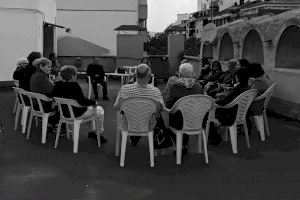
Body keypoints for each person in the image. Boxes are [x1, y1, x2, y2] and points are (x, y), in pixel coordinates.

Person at [114, 64, 172, 152]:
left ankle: (133, 138)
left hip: (128, 124)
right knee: (155, 115)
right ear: (149, 77)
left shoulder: (125, 89)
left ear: (135, 76)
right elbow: (162, 108)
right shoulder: (155, 91)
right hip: (148, 125)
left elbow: (117, 107)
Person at [51, 65, 107, 144]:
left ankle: (92, 131)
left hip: (63, 113)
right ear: (73, 76)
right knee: (100, 110)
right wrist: (94, 102)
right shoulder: (75, 85)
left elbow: (53, 96)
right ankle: (98, 133)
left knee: (90, 108)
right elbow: (82, 102)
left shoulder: (58, 85)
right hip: (76, 113)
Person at [163, 63, 204, 154]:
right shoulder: (198, 86)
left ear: (180, 74)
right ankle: (185, 143)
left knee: (174, 114)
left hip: (178, 122)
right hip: (195, 119)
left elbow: (169, 105)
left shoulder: (175, 85)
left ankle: (179, 144)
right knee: (186, 113)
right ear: (191, 74)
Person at [208, 68, 251, 145]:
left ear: (238, 77)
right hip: (240, 115)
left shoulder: (238, 89)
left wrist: (214, 100)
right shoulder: (248, 88)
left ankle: (215, 137)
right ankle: (217, 133)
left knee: (207, 114)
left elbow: (223, 102)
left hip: (229, 116)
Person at [247, 62, 271, 129]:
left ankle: (243, 127)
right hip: (261, 104)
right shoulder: (264, 77)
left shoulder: (258, 82)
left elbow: (251, 95)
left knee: (236, 107)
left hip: (256, 107)